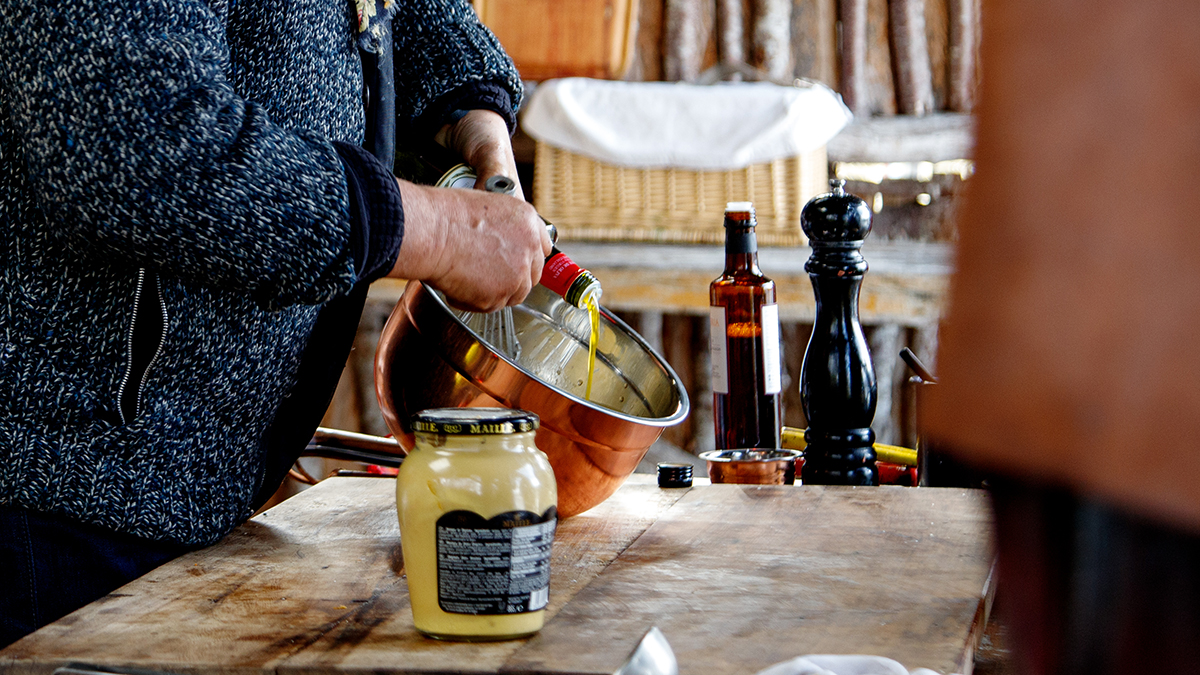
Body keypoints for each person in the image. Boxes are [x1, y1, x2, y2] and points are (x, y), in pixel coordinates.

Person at [0, 0, 550, 647]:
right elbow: (134, 140)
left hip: (198, 494)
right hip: (67, 502)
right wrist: (439, 230)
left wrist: (472, 116)